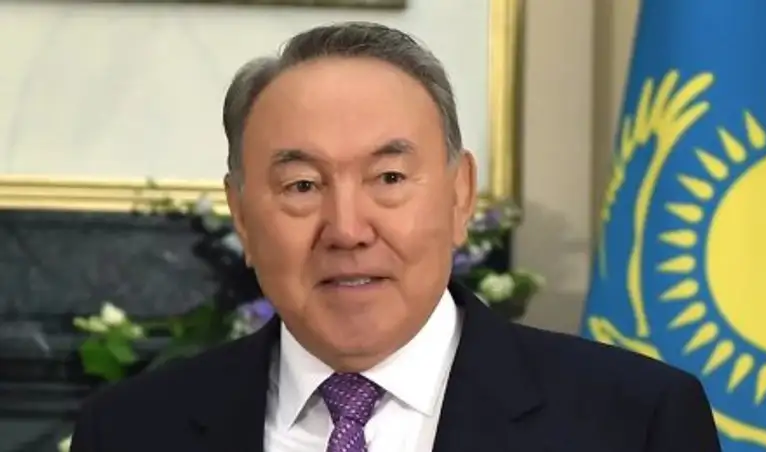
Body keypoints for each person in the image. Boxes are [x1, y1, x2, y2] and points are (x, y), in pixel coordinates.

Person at [69, 22, 721, 452]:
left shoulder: (633, 423)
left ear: (460, 195)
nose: (348, 230)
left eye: (388, 178)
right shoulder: (130, 432)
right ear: (241, 214)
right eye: (302, 185)